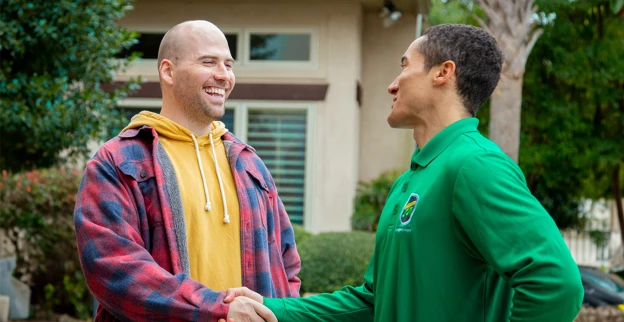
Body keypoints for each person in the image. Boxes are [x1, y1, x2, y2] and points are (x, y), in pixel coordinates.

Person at [219, 23, 584, 322]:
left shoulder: (475, 166)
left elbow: (555, 283)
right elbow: (372, 301)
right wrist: (273, 309)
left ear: (443, 72)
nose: (393, 83)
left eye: (405, 66)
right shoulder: (408, 181)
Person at [73, 20, 299, 321]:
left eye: (228, 65)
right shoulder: (116, 162)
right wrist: (218, 309)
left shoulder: (249, 164)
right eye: (208, 62)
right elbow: (113, 269)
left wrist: (280, 312)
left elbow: (287, 265)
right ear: (168, 71)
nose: (224, 75)